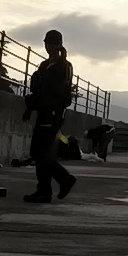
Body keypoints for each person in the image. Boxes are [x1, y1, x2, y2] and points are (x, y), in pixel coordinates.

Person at [21, 29, 77, 203]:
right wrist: (31, 107)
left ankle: (59, 181)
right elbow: (36, 87)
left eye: (53, 43)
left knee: (41, 153)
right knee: (38, 152)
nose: (49, 47)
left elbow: (55, 92)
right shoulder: (45, 65)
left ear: (59, 44)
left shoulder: (63, 66)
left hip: (52, 114)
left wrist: (40, 101)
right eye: (47, 43)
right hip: (44, 112)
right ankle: (49, 187)